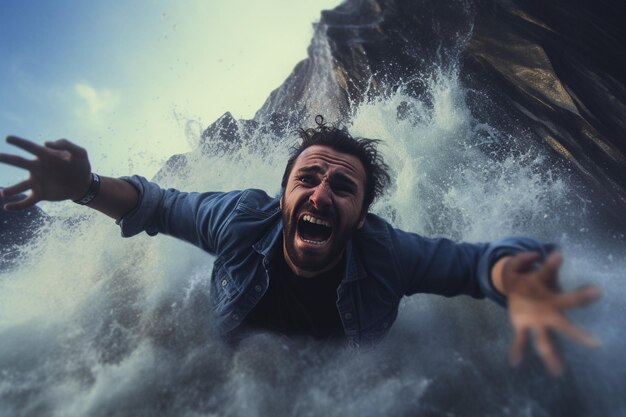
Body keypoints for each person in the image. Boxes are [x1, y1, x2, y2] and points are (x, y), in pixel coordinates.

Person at [0, 116, 600, 376]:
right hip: (237, 362)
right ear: (283, 196)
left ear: (361, 217)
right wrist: (84, 186)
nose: (320, 195)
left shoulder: (386, 255)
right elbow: (157, 205)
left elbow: (476, 264)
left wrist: (515, 279)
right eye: (307, 180)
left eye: (342, 188)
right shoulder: (241, 220)